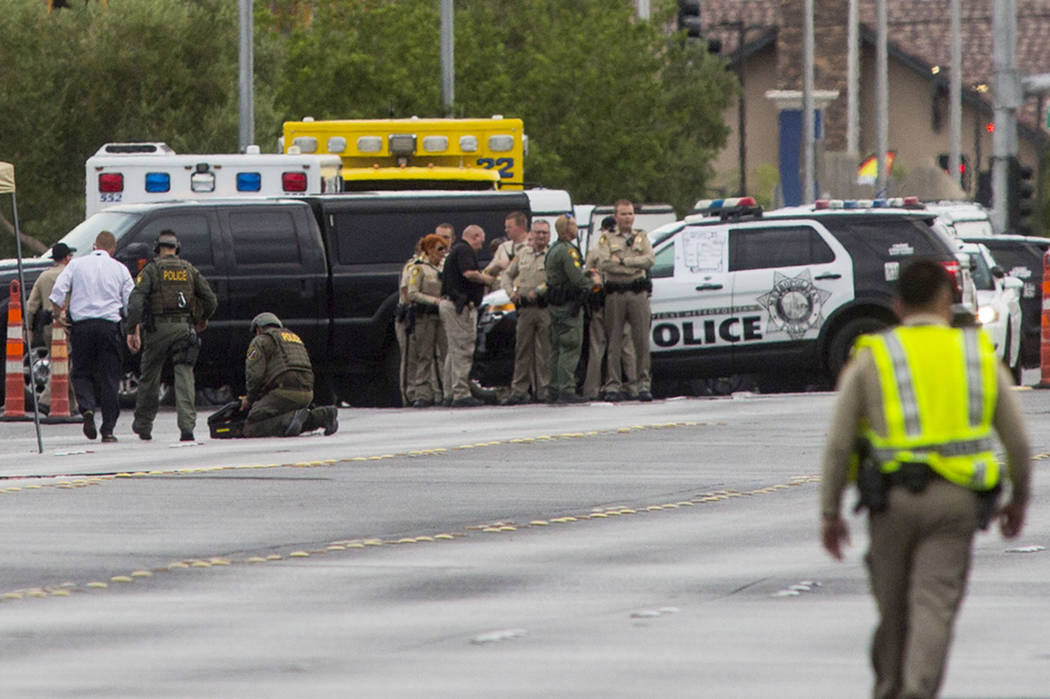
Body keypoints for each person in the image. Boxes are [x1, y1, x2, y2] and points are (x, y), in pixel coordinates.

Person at [820, 259, 1031, 699]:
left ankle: (890, 687)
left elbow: (839, 442)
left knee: (893, 612)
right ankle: (915, 690)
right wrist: (1018, 501)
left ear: (898, 306)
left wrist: (830, 512)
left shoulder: (872, 356)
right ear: (946, 301)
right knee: (932, 606)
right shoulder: (977, 356)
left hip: (891, 502)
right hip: (956, 504)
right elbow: (1017, 444)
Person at [125, 231, 218, 442]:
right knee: (184, 376)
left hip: (157, 330)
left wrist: (132, 329)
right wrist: (201, 318)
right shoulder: (189, 270)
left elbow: (137, 301)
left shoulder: (151, 270)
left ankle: (143, 425)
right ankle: (187, 428)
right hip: (184, 329)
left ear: (157, 249)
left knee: (150, 377)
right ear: (177, 248)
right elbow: (211, 299)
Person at [49, 231, 134, 442]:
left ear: (95, 246)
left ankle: (87, 408)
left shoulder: (76, 265)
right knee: (109, 377)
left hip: (82, 327)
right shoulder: (121, 269)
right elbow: (131, 303)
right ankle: (108, 430)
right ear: (112, 250)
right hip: (109, 327)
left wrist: (58, 316)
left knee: (81, 372)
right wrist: (134, 331)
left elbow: (57, 292)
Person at [239, 312, 338, 437]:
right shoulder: (294, 338)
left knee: (251, 425)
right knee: (295, 418)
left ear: (258, 329)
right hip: (307, 393)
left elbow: (255, 375)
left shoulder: (261, 340)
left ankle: (288, 420)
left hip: (284, 392)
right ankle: (322, 415)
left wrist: (249, 399)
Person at [594, 199, 654, 401]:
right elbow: (604, 264)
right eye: (623, 214)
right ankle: (613, 385)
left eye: (630, 214)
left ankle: (642, 385)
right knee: (614, 341)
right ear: (616, 216)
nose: (627, 218)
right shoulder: (607, 238)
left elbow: (649, 260)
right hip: (615, 294)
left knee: (641, 342)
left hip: (637, 294)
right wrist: (632, 266)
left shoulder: (641, 236)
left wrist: (623, 261)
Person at [545, 214, 601, 403]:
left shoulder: (553, 249)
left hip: (555, 305)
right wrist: (593, 283)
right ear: (567, 229)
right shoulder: (567, 251)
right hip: (568, 306)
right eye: (574, 226)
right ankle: (566, 389)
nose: (576, 229)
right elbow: (576, 279)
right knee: (570, 346)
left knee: (556, 349)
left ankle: (553, 388)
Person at [439, 224, 494, 407]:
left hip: (449, 305)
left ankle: (449, 392)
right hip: (458, 307)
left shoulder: (457, 250)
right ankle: (461, 393)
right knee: (463, 349)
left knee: (453, 351)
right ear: (475, 236)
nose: (482, 244)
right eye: (481, 240)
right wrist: (485, 279)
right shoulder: (464, 249)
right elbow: (469, 273)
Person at [582, 216, 636, 400]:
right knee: (626, 345)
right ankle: (634, 387)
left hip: (601, 303)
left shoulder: (596, 251)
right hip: (622, 301)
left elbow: (586, 275)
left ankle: (591, 390)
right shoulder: (629, 250)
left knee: (598, 346)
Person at [501, 219, 551, 404]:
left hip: (544, 307)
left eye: (544, 233)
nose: (540, 236)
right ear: (531, 234)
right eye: (537, 232)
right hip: (525, 309)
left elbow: (554, 279)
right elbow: (507, 274)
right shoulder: (523, 254)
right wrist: (510, 292)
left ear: (549, 236)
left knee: (545, 351)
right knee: (522, 350)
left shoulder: (551, 255)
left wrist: (538, 291)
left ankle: (544, 390)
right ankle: (519, 391)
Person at [26, 242, 78, 414]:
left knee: (60, 362)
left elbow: (31, 306)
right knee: (64, 364)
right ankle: (45, 399)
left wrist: (28, 329)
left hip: (48, 327)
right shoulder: (71, 275)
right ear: (67, 257)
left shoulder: (43, 277)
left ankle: (73, 405)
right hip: (66, 325)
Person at [405, 235, 448, 407]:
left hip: (442, 315)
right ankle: (422, 392)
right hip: (425, 316)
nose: (443, 253)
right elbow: (412, 292)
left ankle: (445, 390)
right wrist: (433, 300)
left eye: (444, 249)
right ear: (429, 250)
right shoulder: (419, 268)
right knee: (425, 355)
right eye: (439, 249)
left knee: (445, 354)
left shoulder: (443, 267)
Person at [396, 237, 426, 406]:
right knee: (409, 357)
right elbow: (406, 291)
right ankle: (409, 393)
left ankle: (420, 392)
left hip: (421, 316)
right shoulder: (412, 266)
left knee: (422, 356)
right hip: (408, 316)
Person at [484, 211, 529, 289]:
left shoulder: (533, 246)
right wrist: (498, 264)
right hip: (501, 293)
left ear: (521, 227)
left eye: (509, 227)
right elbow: (486, 272)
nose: (506, 230)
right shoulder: (503, 247)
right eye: (506, 227)